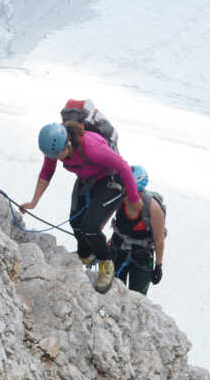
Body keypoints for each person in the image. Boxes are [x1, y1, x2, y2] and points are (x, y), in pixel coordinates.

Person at [20, 121, 142, 294]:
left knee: (90, 228)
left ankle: (106, 263)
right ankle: (85, 254)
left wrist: (133, 197)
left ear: (67, 143)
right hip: (88, 179)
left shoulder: (91, 148)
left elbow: (122, 166)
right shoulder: (55, 148)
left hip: (111, 181)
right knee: (76, 221)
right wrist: (34, 201)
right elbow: (47, 173)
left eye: (58, 155)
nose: (56, 159)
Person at [109, 165, 165, 295]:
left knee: (137, 298)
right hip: (118, 248)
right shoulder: (119, 199)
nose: (128, 196)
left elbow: (159, 240)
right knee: (112, 291)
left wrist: (158, 266)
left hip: (142, 255)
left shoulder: (153, 209)